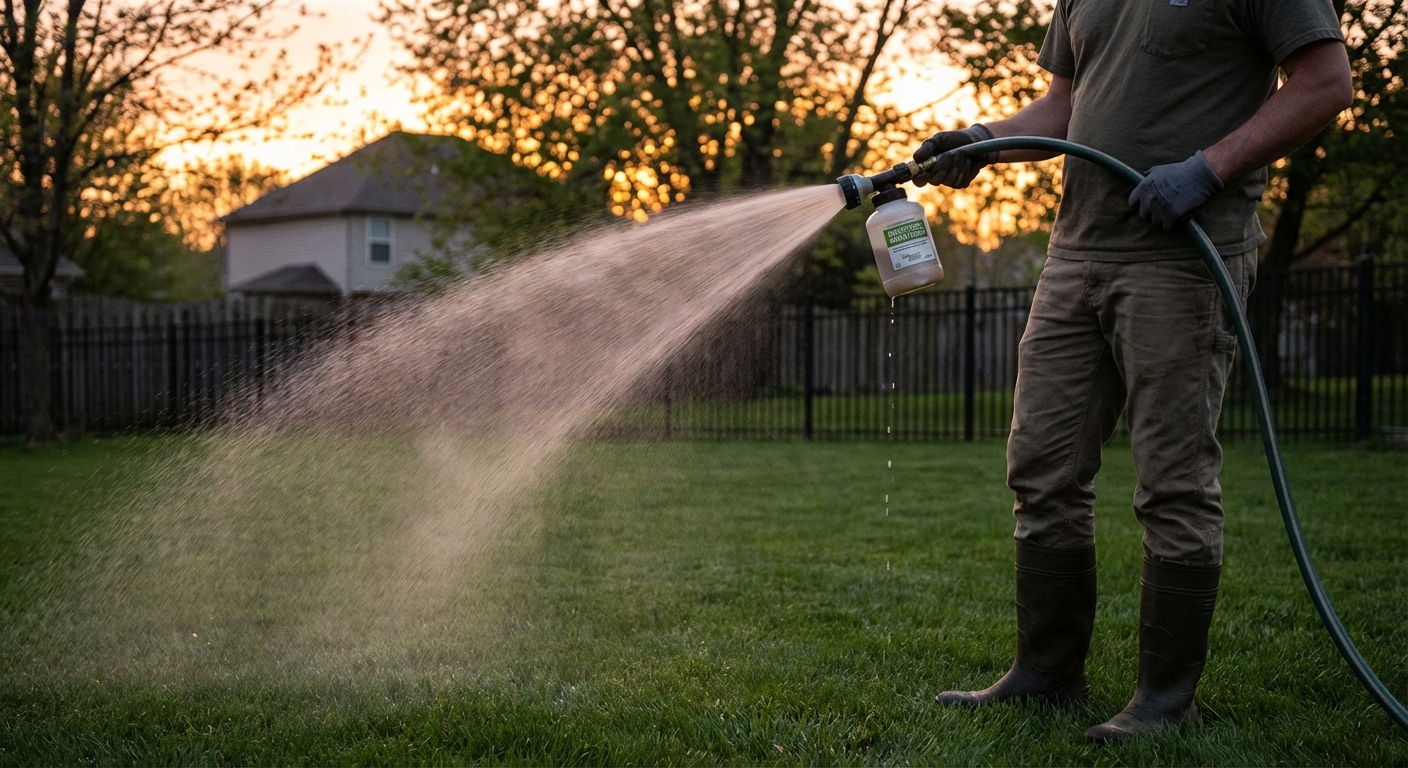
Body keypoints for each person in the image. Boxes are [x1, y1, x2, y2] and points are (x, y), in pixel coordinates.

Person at [913, 0, 1353, 743]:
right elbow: (1065, 104)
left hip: (1184, 254)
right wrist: (984, 140)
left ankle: (1164, 702)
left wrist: (1207, 169)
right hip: (1076, 252)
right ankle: (1046, 673)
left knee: (1173, 482)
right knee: (1041, 468)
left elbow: (1323, 83)